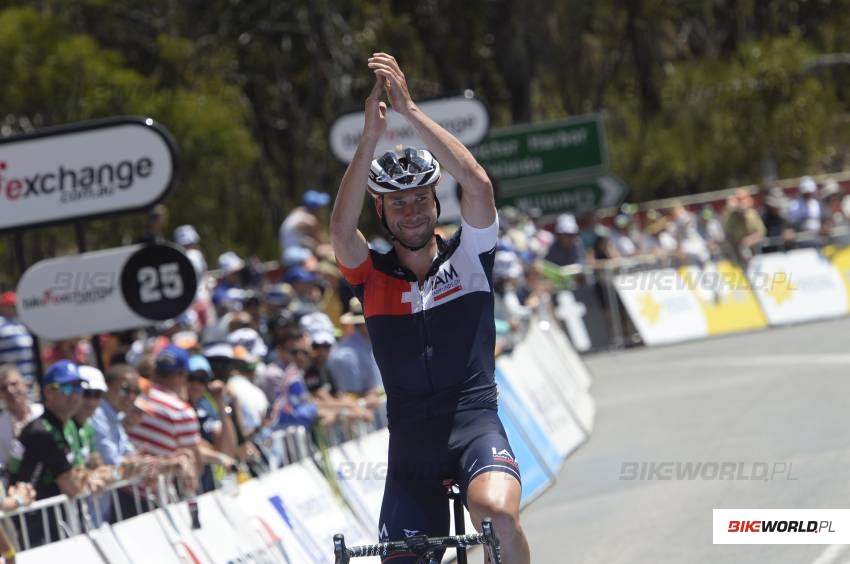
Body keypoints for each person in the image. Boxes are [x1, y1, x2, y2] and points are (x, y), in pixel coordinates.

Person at [329, 53, 530, 563]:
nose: (412, 210)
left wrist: (411, 111)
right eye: (398, 203)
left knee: (498, 516)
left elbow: (479, 185)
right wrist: (370, 136)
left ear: (436, 202)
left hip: (474, 426)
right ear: (381, 210)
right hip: (410, 451)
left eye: (420, 198)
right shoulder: (370, 274)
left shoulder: (470, 257)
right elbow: (338, 229)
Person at [7, 361, 93, 547]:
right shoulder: (41, 431)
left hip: (58, 522)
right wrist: (92, 478)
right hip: (39, 527)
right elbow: (73, 487)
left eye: (78, 387)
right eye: (67, 388)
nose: (75, 394)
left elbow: (80, 473)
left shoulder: (68, 425)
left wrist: (86, 476)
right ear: (48, 392)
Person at [0, 364, 43, 467]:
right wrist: (18, 443)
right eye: (3, 388)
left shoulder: (41, 412)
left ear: (24, 384)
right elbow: (11, 468)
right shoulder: (1, 426)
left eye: (14, 384)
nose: (10, 390)